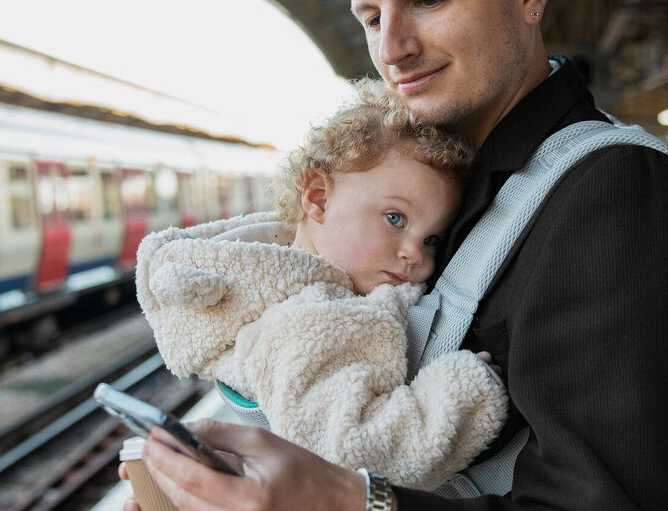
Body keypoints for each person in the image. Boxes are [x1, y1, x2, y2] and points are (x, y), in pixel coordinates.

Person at [128, 0, 668, 511]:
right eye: (371, 17)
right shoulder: (443, 189)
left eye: (427, 0)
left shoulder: (618, 191)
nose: (392, 47)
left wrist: (345, 501)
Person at [135, 79, 508, 490]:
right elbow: (357, 452)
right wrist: (466, 392)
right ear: (318, 198)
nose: (415, 254)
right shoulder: (315, 318)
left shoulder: (273, 277)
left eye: (432, 239)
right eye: (395, 218)